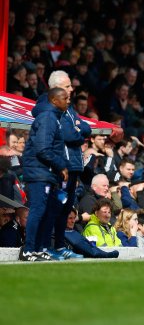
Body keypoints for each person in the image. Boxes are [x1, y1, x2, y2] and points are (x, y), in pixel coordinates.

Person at [34, 70, 91, 260]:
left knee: (65, 209)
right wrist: (76, 130)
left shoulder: (68, 106)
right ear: (55, 87)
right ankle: (43, 247)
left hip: (73, 166)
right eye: (67, 86)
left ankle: (58, 246)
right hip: (60, 166)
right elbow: (69, 134)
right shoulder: (46, 104)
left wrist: (77, 129)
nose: (72, 89)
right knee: (54, 208)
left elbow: (85, 128)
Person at [20, 88, 69, 262]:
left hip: (45, 173)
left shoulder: (53, 118)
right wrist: (61, 166)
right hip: (39, 173)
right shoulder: (48, 118)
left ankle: (39, 249)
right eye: (65, 98)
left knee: (46, 211)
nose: (68, 101)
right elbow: (43, 149)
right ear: (54, 100)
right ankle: (28, 250)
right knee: (38, 210)